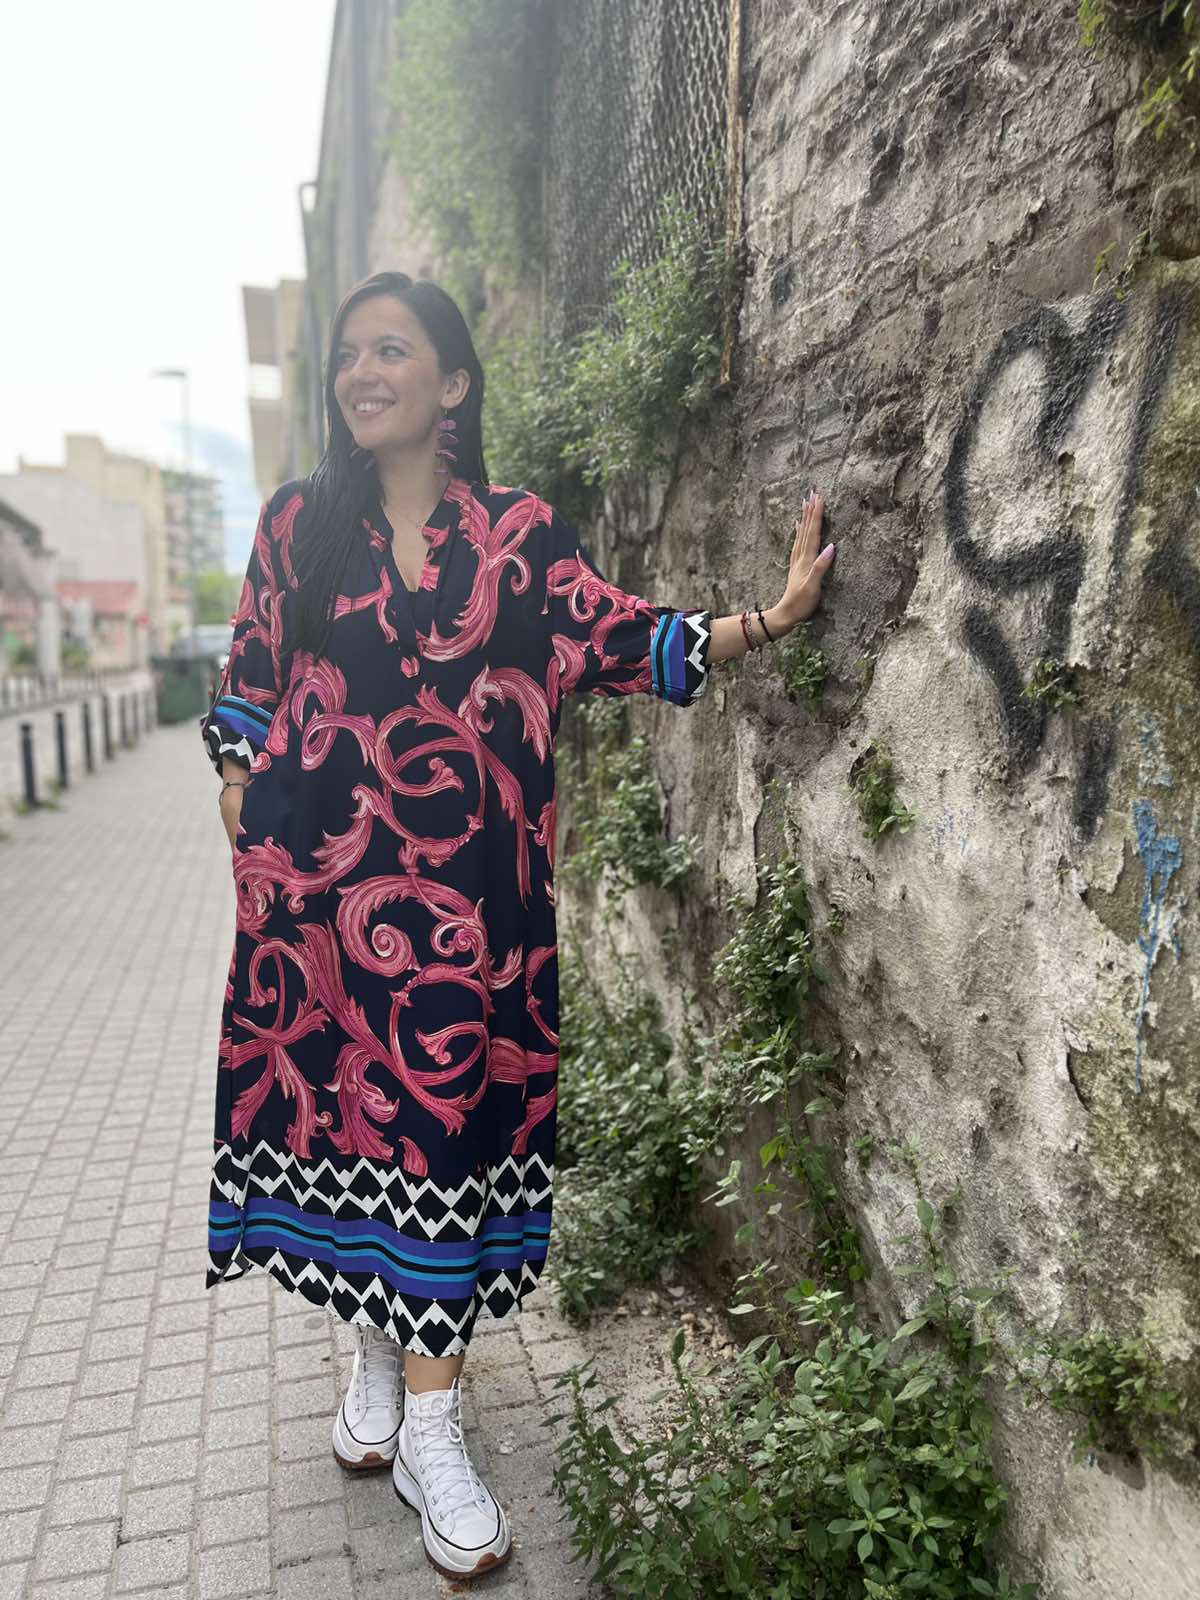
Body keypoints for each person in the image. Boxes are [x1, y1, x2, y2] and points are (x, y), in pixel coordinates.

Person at [199, 269, 834, 1581]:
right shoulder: (298, 526)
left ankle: (431, 1434)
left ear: (453, 382)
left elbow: (625, 638)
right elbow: (248, 684)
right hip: (321, 915)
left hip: (473, 925)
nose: (362, 373)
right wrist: (239, 796)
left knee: (442, 1141)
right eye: (348, 354)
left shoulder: (518, 537)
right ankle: (379, 1362)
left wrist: (769, 619)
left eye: (391, 350)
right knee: (353, 1137)